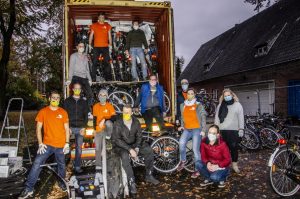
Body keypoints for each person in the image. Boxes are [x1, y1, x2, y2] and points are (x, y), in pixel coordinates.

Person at [19, 91, 70, 199]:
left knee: (61, 165)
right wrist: (40, 144)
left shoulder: (63, 112)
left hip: (61, 145)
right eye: (53, 97)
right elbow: (38, 128)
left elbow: (66, 129)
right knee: (37, 163)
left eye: (57, 98)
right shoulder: (43, 112)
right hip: (47, 145)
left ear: (59, 100)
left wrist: (67, 143)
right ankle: (28, 189)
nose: (55, 99)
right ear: (49, 99)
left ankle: (62, 183)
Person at [112, 105, 159, 195]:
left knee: (148, 150)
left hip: (133, 143)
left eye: (128, 112)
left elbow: (139, 136)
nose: (125, 114)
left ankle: (149, 175)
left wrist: (137, 148)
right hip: (121, 146)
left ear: (132, 113)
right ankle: (131, 181)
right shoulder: (118, 123)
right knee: (125, 156)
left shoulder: (136, 122)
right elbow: (117, 140)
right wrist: (130, 149)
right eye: (124, 112)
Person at [177, 88, 207, 178]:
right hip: (187, 129)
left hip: (197, 129)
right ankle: (183, 160)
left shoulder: (198, 105)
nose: (190, 95)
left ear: (194, 95)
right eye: (188, 93)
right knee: (181, 143)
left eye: (191, 93)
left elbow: (203, 117)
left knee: (195, 150)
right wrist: (182, 125)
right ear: (187, 95)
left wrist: (203, 130)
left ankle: (198, 170)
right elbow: (182, 117)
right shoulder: (183, 105)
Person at [214, 88, 244, 173]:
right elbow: (217, 118)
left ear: (232, 95)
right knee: (223, 150)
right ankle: (225, 165)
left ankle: (234, 165)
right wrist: (216, 129)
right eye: (225, 96)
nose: (227, 97)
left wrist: (241, 129)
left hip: (234, 131)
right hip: (222, 130)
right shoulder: (220, 105)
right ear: (223, 97)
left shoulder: (238, 105)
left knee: (234, 149)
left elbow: (241, 117)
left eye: (228, 95)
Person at [63, 83, 89, 173]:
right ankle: (64, 167)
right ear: (73, 89)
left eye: (79, 89)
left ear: (81, 90)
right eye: (76, 88)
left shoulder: (84, 102)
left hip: (80, 128)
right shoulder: (67, 101)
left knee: (79, 148)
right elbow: (64, 115)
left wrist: (84, 127)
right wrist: (67, 127)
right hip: (69, 127)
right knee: (66, 147)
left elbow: (86, 116)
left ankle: (77, 167)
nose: (77, 90)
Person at [92, 89, 116, 172]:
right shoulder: (95, 106)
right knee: (98, 148)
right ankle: (98, 166)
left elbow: (113, 118)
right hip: (98, 130)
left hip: (106, 129)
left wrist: (104, 120)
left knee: (109, 122)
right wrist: (94, 130)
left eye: (104, 95)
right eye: (101, 95)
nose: (102, 97)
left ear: (107, 97)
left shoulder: (109, 106)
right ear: (98, 96)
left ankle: (108, 138)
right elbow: (94, 120)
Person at [66, 42, 93, 107]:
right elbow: (71, 68)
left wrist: (90, 79)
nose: (81, 48)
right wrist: (69, 79)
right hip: (76, 77)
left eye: (83, 46)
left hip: (84, 77)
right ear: (77, 47)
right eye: (80, 46)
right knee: (78, 93)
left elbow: (87, 69)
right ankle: (77, 108)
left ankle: (88, 110)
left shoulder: (85, 56)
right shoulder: (73, 56)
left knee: (90, 94)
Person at [89, 12, 112, 81]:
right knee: (95, 63)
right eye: (100, 17)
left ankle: (108, 79)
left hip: (105, 46)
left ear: (104, 18)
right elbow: (91, 35)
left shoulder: (107, 25)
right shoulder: (94, 25)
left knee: (107, 63)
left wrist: (110, 45)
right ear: (98, 18)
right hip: (96, 47)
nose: (102, 19)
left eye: (103, 17)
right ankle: (93, 79)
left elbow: (109, 36)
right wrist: (90, 44)